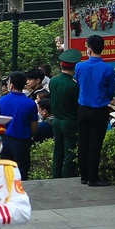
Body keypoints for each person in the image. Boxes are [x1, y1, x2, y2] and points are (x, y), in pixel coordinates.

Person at [75, 34, 115, 186]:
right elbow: (111, 90)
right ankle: (93, 177)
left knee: (83, 141)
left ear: (89, 49)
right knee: (95, 143)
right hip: (99, 109)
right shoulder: (107, 69)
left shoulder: (80, 66)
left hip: (83, 109)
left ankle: (84, 176)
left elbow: (79, 83)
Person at [0, 71, 37, 179]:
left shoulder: (2, 100)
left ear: (11, 85)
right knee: (22, 172)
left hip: (5, 140)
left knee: (6, 171)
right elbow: (34, 125)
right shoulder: (31, 103)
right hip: (22, 141)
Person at [50, 49, 81, 178]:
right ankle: (66, 179)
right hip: (70, 122)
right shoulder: (73, 85)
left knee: (58, 152)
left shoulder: (53, 81)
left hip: (56, 121)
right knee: (69, 154)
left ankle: (55, 177)